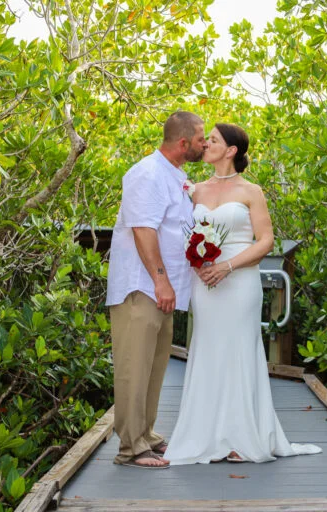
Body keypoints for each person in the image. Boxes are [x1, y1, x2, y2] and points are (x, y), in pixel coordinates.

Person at [165, 123, 321, 464]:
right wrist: (198, 264)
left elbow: (265, 240)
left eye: (214, 141)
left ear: (232, 150)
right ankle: (205, 434)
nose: (205, 144)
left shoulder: (252, 191)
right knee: (207, 349)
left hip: (239, 281)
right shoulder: (195, 190)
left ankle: (241, 437)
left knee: (239, 350)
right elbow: (184, 233)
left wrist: (228, 266)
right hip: (205, 281)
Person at [106, 111, 207, 469]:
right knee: (134, 366)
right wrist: (161, 280)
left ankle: (146, 434)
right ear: (183, 143)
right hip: (142, 287)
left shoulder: (176, 176)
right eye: (200, 139)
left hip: (165, 290)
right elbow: (143, 230)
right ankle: (130, 448)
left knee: (155, 365)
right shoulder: (147, 173)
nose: (205, 144)